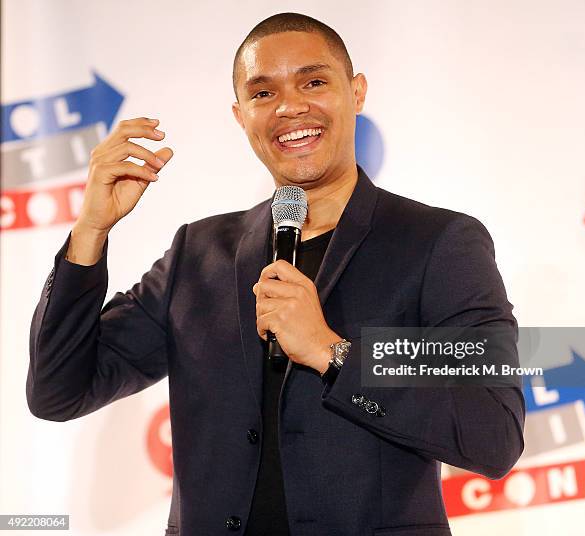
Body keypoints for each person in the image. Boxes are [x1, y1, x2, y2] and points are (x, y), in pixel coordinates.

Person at [28, 12, 525, 536]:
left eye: (313, 82)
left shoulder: (436, 245)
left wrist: (333, 354)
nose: (290, 107)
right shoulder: (198, 254)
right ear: (240, 115)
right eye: (263, 94)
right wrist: (91, 230)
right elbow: (58, 391)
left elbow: (493, 435)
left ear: (356, 92)